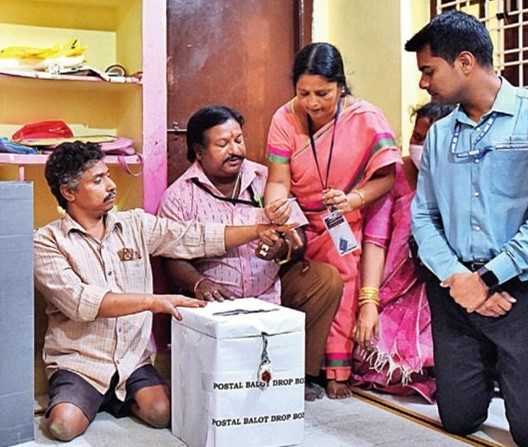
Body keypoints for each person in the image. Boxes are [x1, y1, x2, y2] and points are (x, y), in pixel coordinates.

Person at [405, 10, 528, 447]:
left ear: (464, 62)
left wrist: (487, 278)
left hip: (523, 288)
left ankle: (525, 381)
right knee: (459, 420)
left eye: (429, 70)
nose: (424, 83)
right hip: (454, 288)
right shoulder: (440, 134)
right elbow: (423, 216)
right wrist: (460, 278)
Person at [34, 142, 294, 441]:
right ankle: (85, 397)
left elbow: (193, 236)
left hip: (132, 359)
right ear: (69, 192)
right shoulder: (47, 240)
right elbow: (80, 302)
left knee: (161, 414)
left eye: (108, 175)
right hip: (80, 360)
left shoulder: (134, 224)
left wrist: (257, 229)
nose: (110, 185)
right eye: (97, 180)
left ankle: (118, 396)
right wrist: (154, 302)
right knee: (62, 427)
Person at [158, 105, 343, 402]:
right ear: (199, 150)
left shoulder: (264, 178)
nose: (235, 150)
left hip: (271, 289)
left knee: (326, 279)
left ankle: (298, 374)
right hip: (215, 302)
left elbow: (299, 235)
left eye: (239, 140)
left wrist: (284, 247)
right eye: (223, 144)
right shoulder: (180, 195)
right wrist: (199, 284)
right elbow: (172, 258)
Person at [264, 42, 401, 398]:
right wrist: (278, 209)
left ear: (340, 86)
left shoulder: (366, 118)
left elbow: (386, 178)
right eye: (303, 92)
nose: (312, 102)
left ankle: (337, 370)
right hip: (299, 222)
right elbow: (278, 181)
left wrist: (351, 199)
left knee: (344, 278)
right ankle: (299, 367)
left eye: (322, 93)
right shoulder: (284, 118)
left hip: (343, 217)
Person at [351, 102, 453, 403]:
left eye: (430, 140)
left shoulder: (465, 178)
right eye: (417, 137)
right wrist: (369, 302)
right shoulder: (395, 175)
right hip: (393, 285)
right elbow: (376, 239)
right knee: (372, 353)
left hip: (443, 286)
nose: (421, 146)